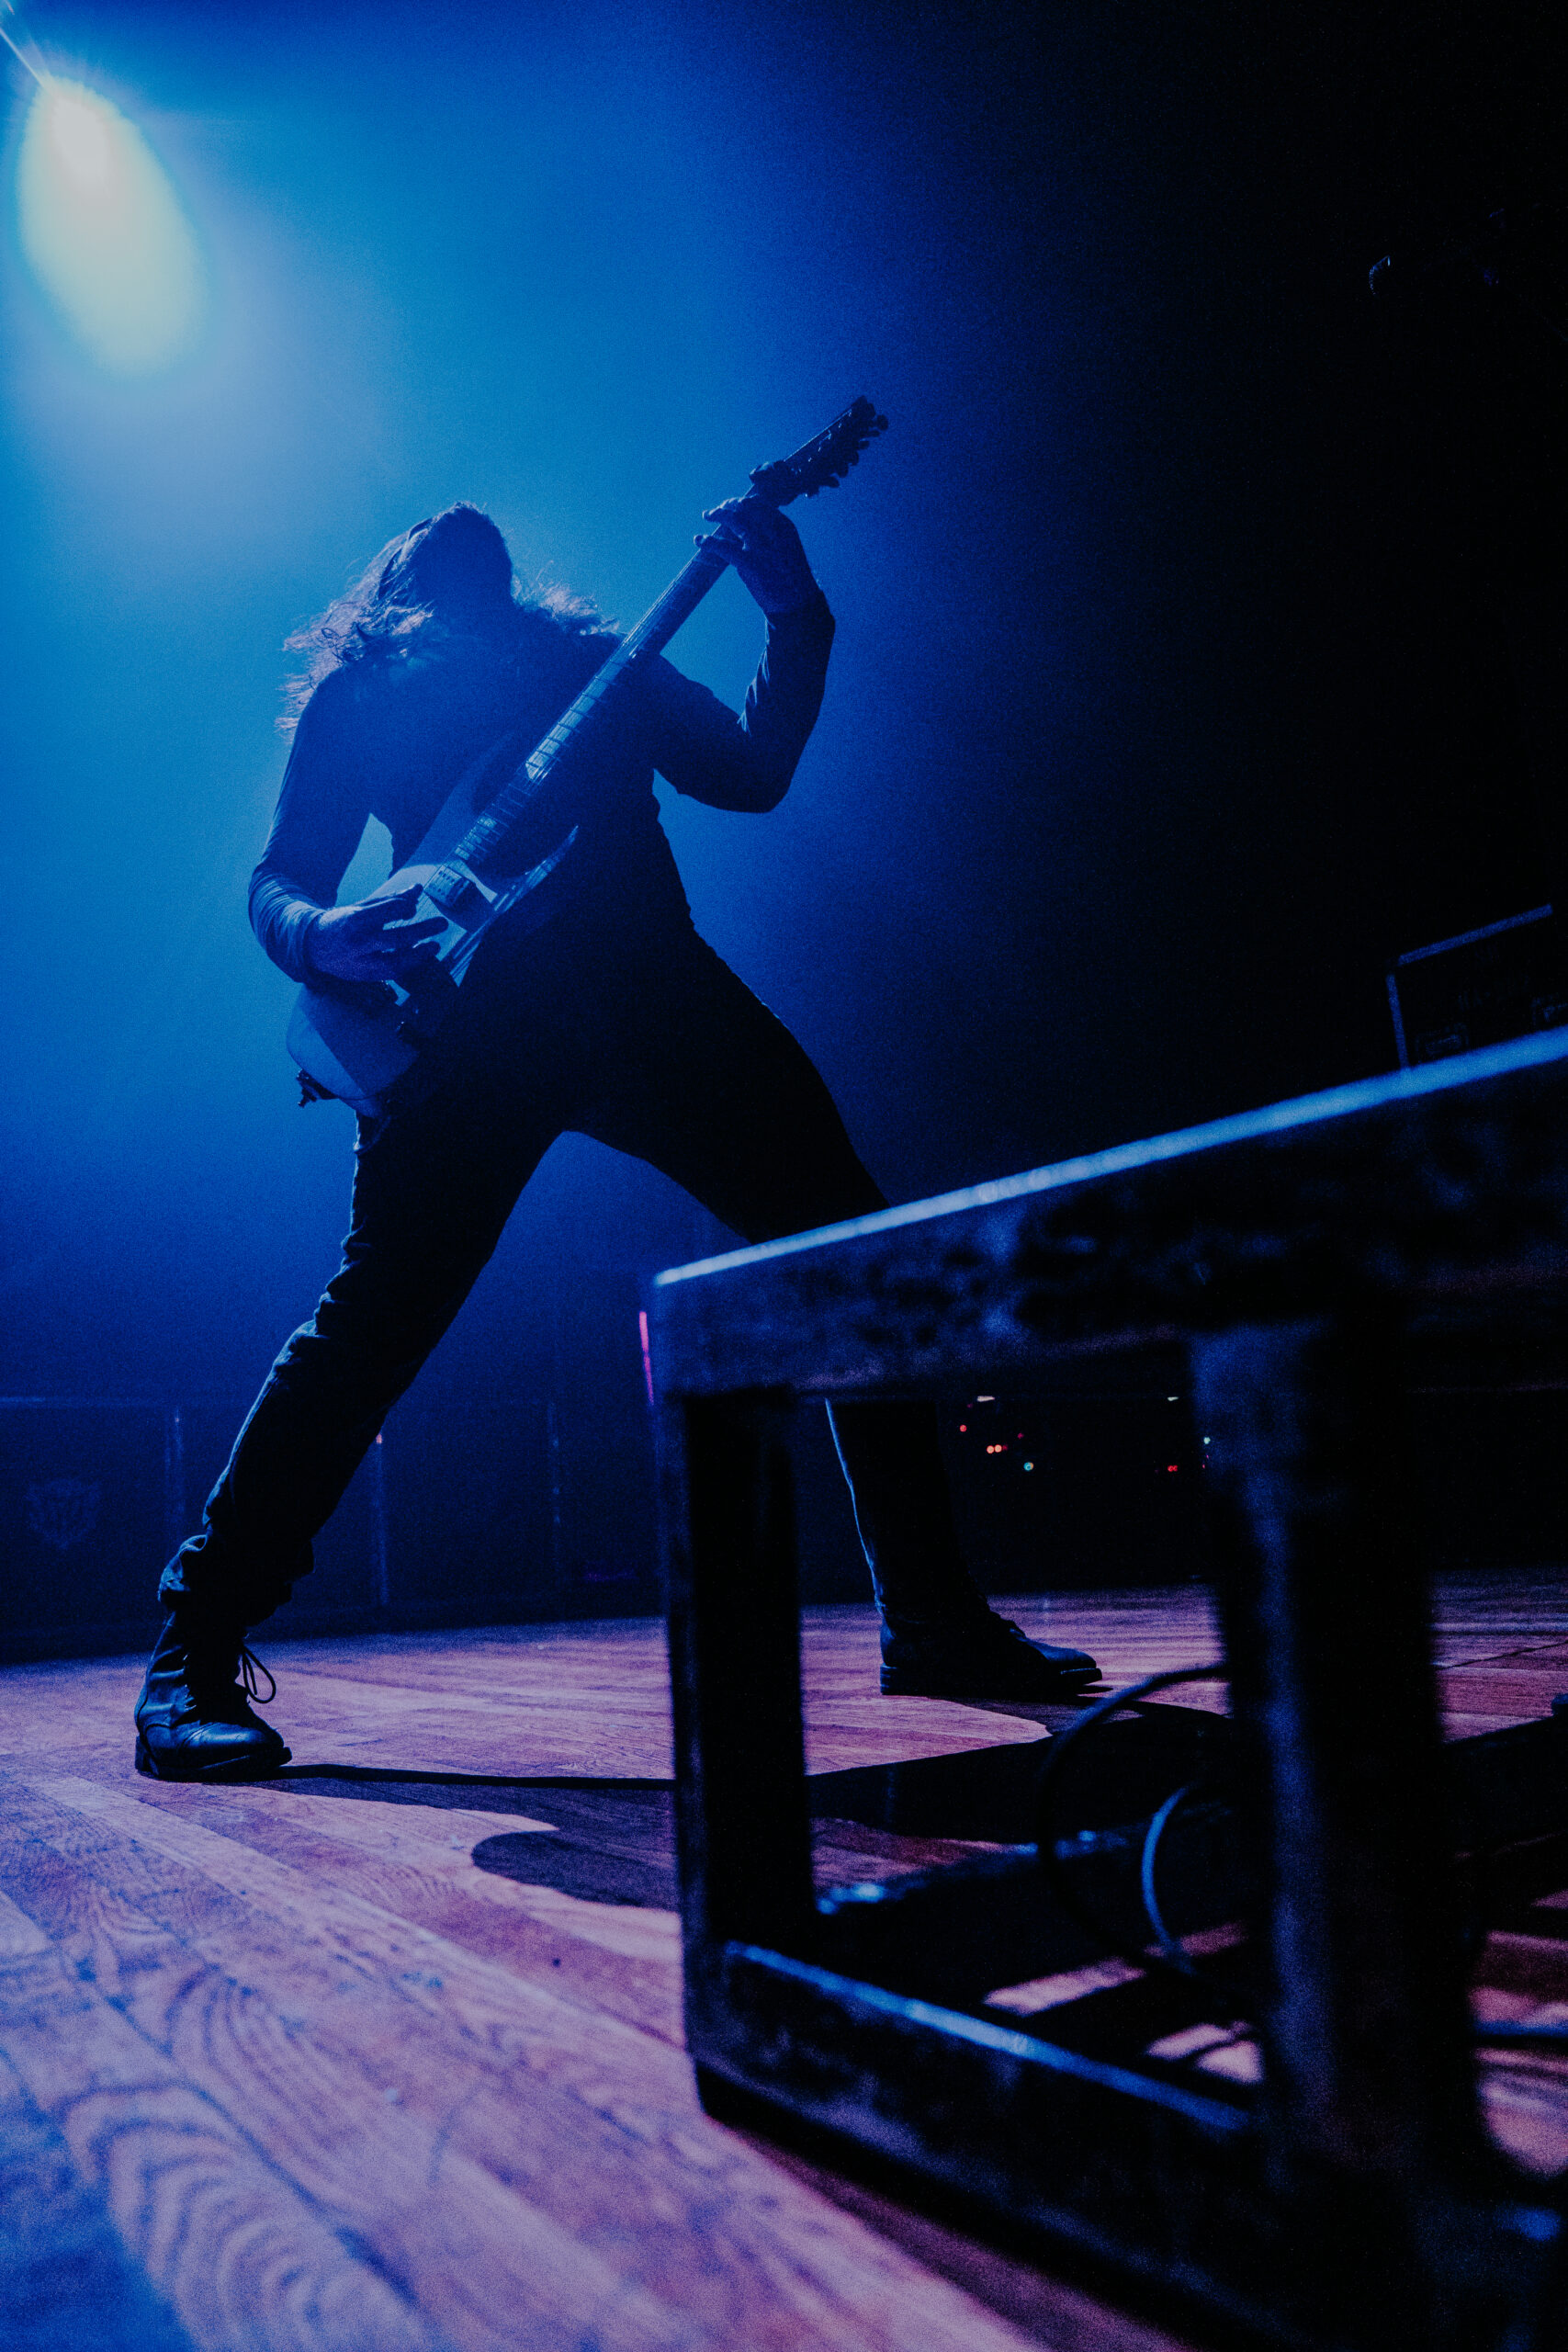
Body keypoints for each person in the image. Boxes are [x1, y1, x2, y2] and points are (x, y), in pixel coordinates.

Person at [134, 496, 1100, 1780]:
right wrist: (326, 935)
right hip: (463, 1042)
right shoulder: (362, 699)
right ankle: (190, 1656)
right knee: (370, 1329)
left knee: (856, 1261)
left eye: (479, 573)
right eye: (431, 570)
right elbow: (282, 876)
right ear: (389, 598)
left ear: (511, 592)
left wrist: (796, 615)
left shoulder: (597, 664)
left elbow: (750, 773)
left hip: (656, 1008)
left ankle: (932, 1618)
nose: (457, 566)